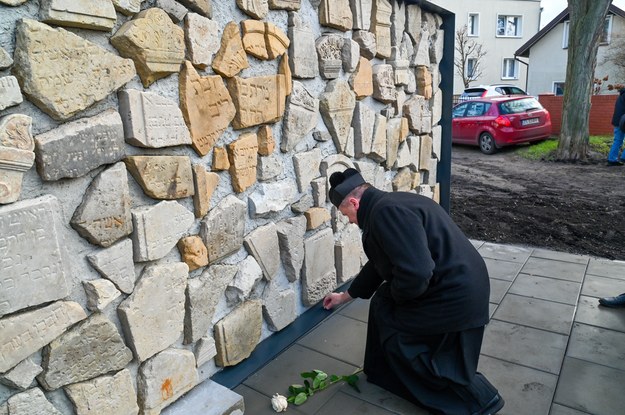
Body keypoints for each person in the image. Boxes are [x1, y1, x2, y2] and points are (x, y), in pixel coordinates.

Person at [323, 168, 504, 415]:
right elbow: (380, 262)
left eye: (346, 215)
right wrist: (346, 295)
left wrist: (399, 301)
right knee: (382, 301)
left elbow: (417, 273)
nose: (350, 221)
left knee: (390, 319)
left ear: (354, 203)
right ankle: (384, 372)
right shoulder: (389, 204)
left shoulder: (386, 213)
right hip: (456, 286)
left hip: (456, 297)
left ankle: (476, 400)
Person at [607, 87, 625, 166]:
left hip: (618, 121)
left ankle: (612, 159)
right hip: (623, 120)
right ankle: (623, 158)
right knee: (618, 140)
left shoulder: (621, 95)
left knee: (617, 140)